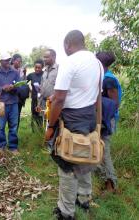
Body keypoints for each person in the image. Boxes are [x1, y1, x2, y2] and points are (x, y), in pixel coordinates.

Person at [45, 30, 103, 220]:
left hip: (71, 118)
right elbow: (95, 96)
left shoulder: (70, 62)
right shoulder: (97, 63)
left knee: (67, 163)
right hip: (89, 115)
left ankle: (66, 211)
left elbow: (59, 99)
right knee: (85, 156)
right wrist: (98, 123)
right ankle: (84, 198)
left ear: (68, 44)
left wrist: (51, 126)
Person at [96, 51, 122, 192]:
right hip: (101, 119)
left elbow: (114, 103)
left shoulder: (108, 79)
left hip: (106, 120)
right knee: (98, 149)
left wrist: (103, 119)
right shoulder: (102, 77)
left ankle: (111, 184)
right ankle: (103, 178)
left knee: (104, 152)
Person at [0, 53, 20, 155]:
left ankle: (13, 147)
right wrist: (2, 88)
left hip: (13, 102)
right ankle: (1, 146)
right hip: (0, 103)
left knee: (13, 126)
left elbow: (20, 85)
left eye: (9, 60)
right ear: (0, 61)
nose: (8, 62)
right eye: (5, 60)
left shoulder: (15, 72)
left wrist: (13, 87)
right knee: (1, 127)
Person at [11, 54, 29, 129]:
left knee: (17, 116)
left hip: (19, 99)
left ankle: (15, 133)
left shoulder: (21, 71)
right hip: (11, 98)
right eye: (18, 61)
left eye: (21, 62)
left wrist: (24, 74)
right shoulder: (9, 70)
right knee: (10, 117)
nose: (20, 63)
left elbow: (24, 83)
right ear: (13, 60)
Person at [27, 59, 44, 129]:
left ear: (42, 67)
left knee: (41, 115)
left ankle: (40, 129)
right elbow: (24, 82)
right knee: (34, 114)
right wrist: (29, 89)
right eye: (35, 67)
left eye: (39, 67)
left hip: (42, 99)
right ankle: (34, 130)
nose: (37, 69)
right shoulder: (31, 75)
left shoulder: (44, 75)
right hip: (34, 98)